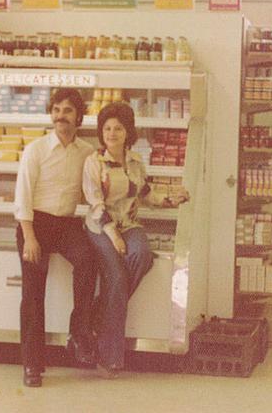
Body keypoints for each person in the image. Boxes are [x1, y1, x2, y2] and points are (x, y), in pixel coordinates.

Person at [82, 102, 189, 378]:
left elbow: (145, 193)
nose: (112, 133)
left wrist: (170, 199)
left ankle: (97, 312)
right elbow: (95, 205)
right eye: (107, 128)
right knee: (116, 277)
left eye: (118, 128)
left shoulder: (135, 162)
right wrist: (113, 235)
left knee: (142, 255)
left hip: (129, 224)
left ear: (128, 132)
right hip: (100, 228)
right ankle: (110, 358)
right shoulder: (94, 163)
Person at [14, 88, 97, 388]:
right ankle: (32, 365)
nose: (61, 115)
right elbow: (22, 195)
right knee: (33, 296)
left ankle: (78, 332)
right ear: (51, 114)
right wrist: (30, 238)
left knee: (89, 262)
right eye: (57, 109)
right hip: (34, 223)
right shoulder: (35, 150)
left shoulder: (87, 153)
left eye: (68, 110)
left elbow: (94, 192)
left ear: (79, 117)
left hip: (66, 225)